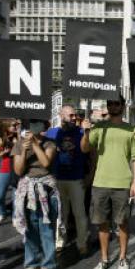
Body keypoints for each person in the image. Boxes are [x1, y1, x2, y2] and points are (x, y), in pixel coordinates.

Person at [81, 96, 135, 269]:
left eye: (116, 103)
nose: (113, 106)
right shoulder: (99, 127)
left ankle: (122, 257)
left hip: (122, 183)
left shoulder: (132, 130)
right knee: (102, 224)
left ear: (122, 106)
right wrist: (85, 132)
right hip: (100, 183)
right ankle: (104, 259)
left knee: (122, 223)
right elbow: (84, 149)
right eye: (110, 104)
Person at [12, 120, 59, 269]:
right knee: (29, 228)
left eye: (37, 124)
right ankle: (31, 264)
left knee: (46, 228)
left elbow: (46, 163)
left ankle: (47, 264)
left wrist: (34, 144)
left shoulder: (50, 143)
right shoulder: (19, 144)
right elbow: (18, 170)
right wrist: (24, 150)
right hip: (27, 190)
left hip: (46, 188)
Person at [46, 106, 91, 255]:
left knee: (79, 213)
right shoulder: (52, 133)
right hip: (58, 179)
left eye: (75, 115)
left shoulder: (80, 132)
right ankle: (60, 241)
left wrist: (86, 132)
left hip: (76, 179)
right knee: (61, 213)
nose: (74, 117)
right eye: (70, 115)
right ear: (61, 115)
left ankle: (82, 243)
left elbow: (86, 149)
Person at [0, 120, 19, 227]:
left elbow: (21, 151)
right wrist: (5, 152)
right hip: (4, 169)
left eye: (16, 125)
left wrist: (17, 141)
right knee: (0, 196)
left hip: (16, 168)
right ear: (6, 126)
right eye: (13, 125)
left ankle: (15, 217)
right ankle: (2, 214)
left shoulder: (17, 137)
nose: (15, 127)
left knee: (15, 197)